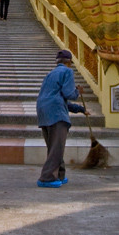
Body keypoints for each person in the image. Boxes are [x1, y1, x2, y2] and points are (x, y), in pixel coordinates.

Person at [36, 50, 87, 188]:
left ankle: (59, 174)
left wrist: (80, 109)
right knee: (57, 147)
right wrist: (78, 92)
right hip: (56, 114)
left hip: (43, 111)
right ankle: (47, 178)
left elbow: (59, 98)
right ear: (69, 62)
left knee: (54, 147)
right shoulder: (67, 72)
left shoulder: (50, 74)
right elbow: (69, 94)